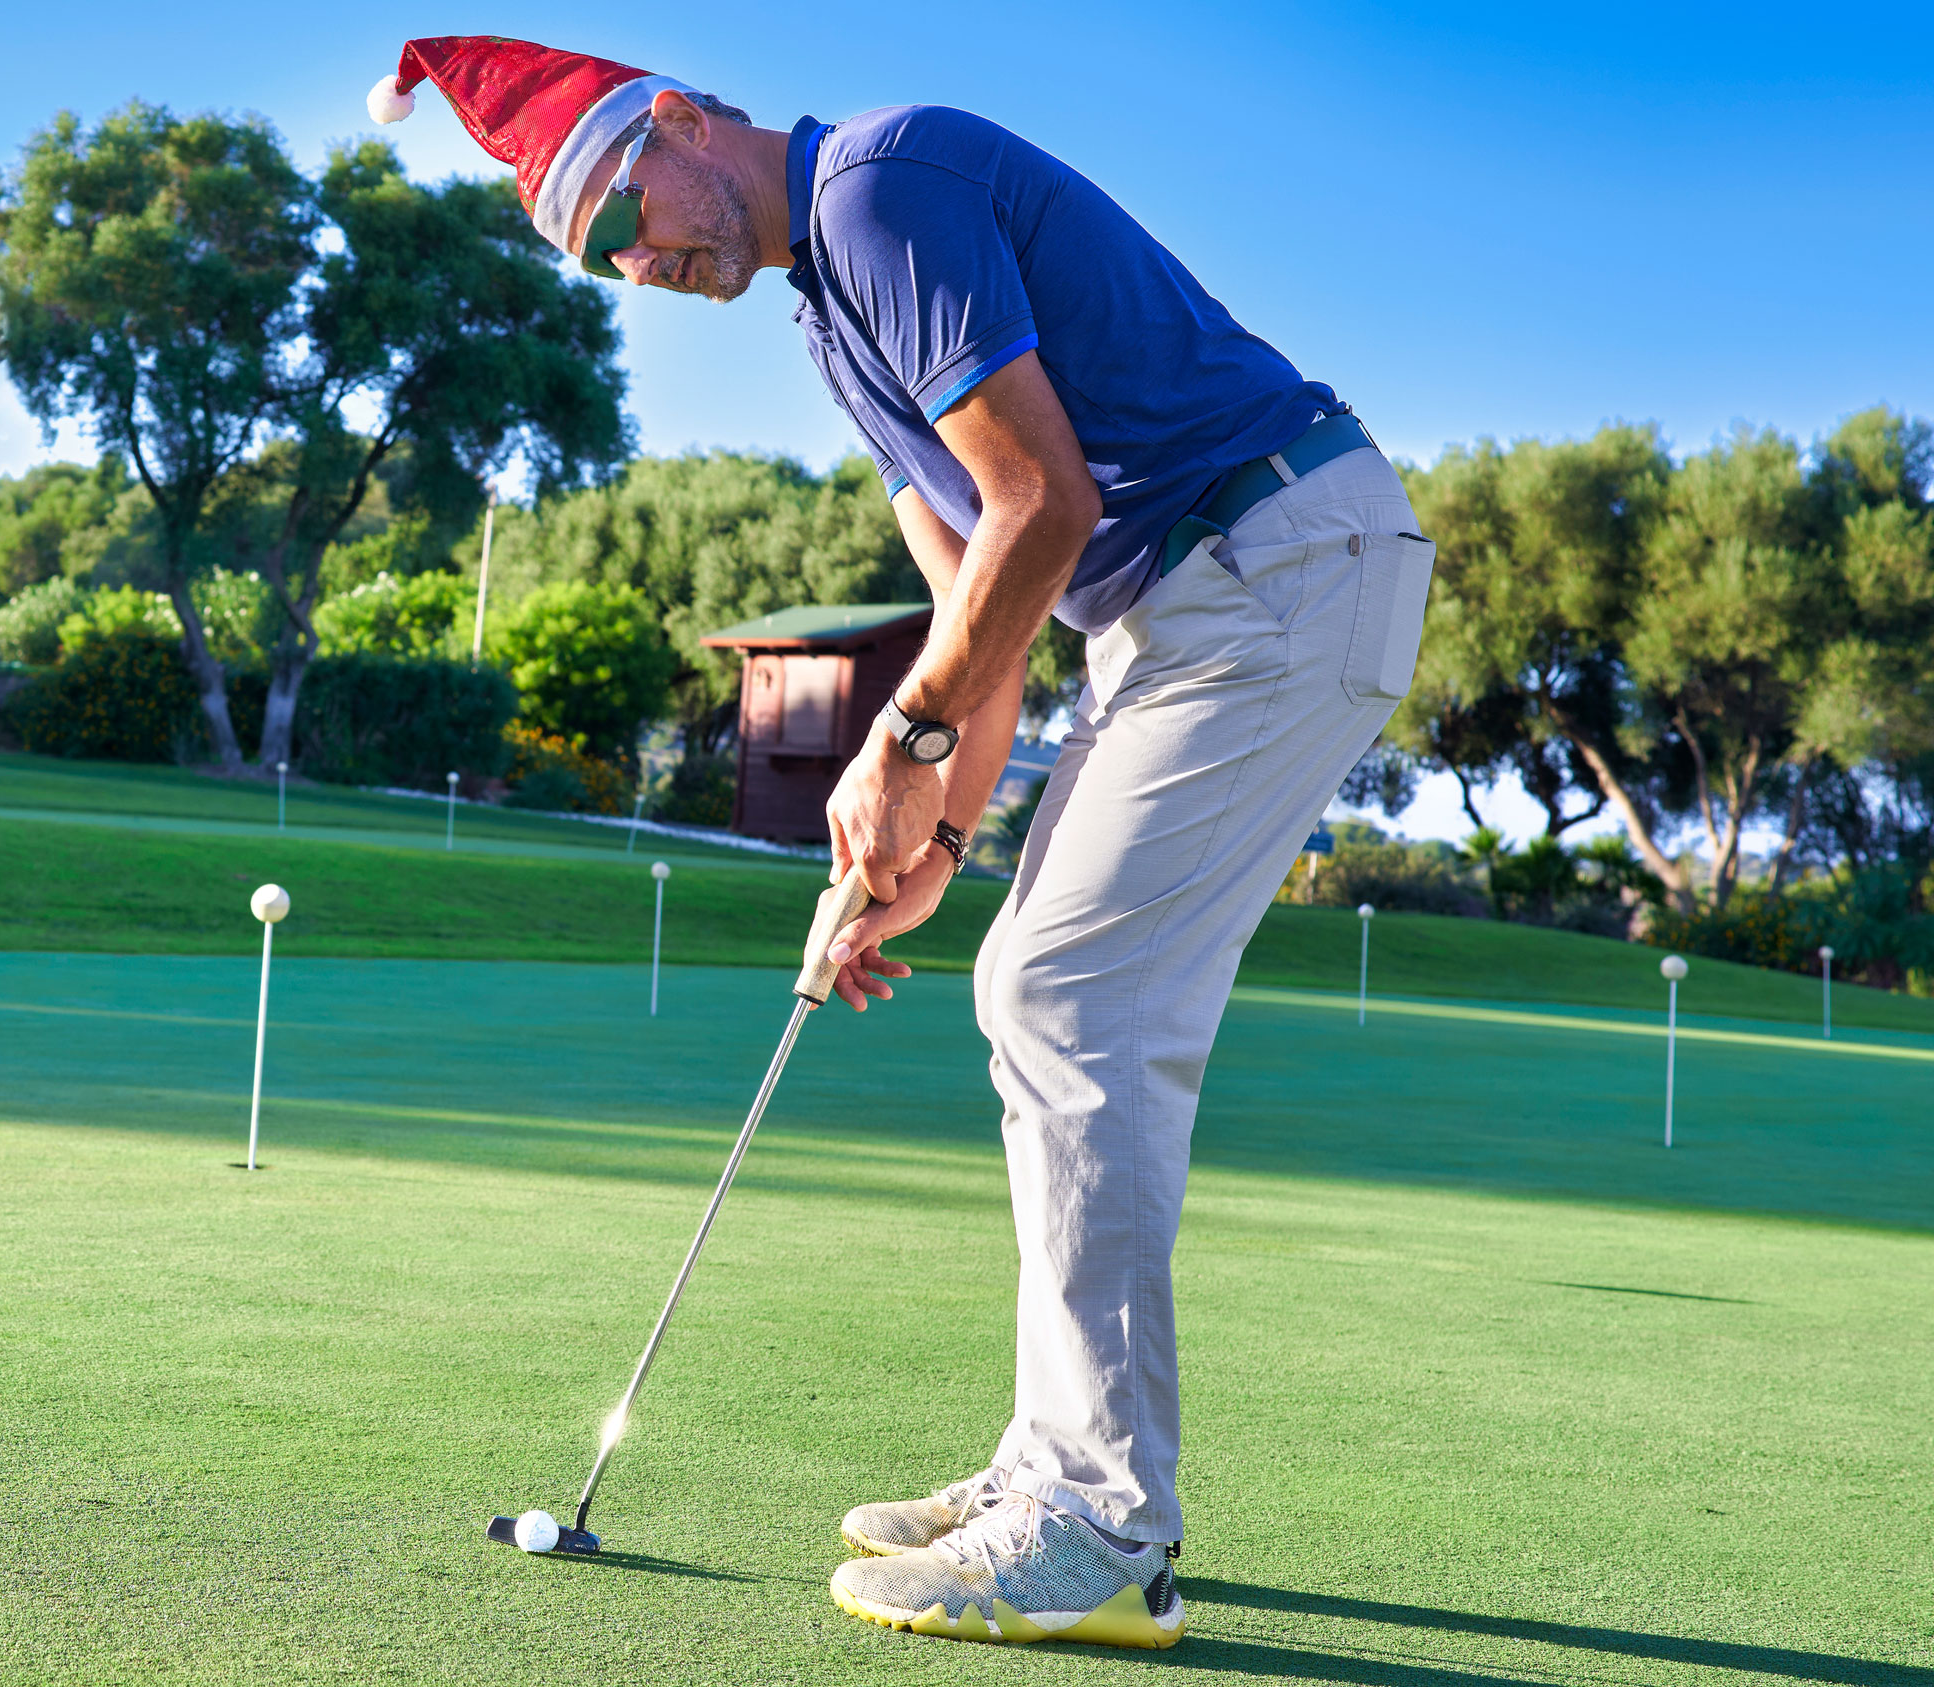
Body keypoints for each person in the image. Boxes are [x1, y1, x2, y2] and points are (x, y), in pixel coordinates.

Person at [370, 36, 1437, 1650]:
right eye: (606, 265)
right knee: (1035, 987)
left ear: (681, 121)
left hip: (1274, 559)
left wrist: (904, 744)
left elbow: (1045, 509)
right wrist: (915, 847)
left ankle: (1096, 1523)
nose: (642, 268)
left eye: (630, 222)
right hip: (1190, 609)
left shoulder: (883, 185)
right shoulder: (832, 320)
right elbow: (972, 608)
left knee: (1068, 998)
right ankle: (1056, 1469)